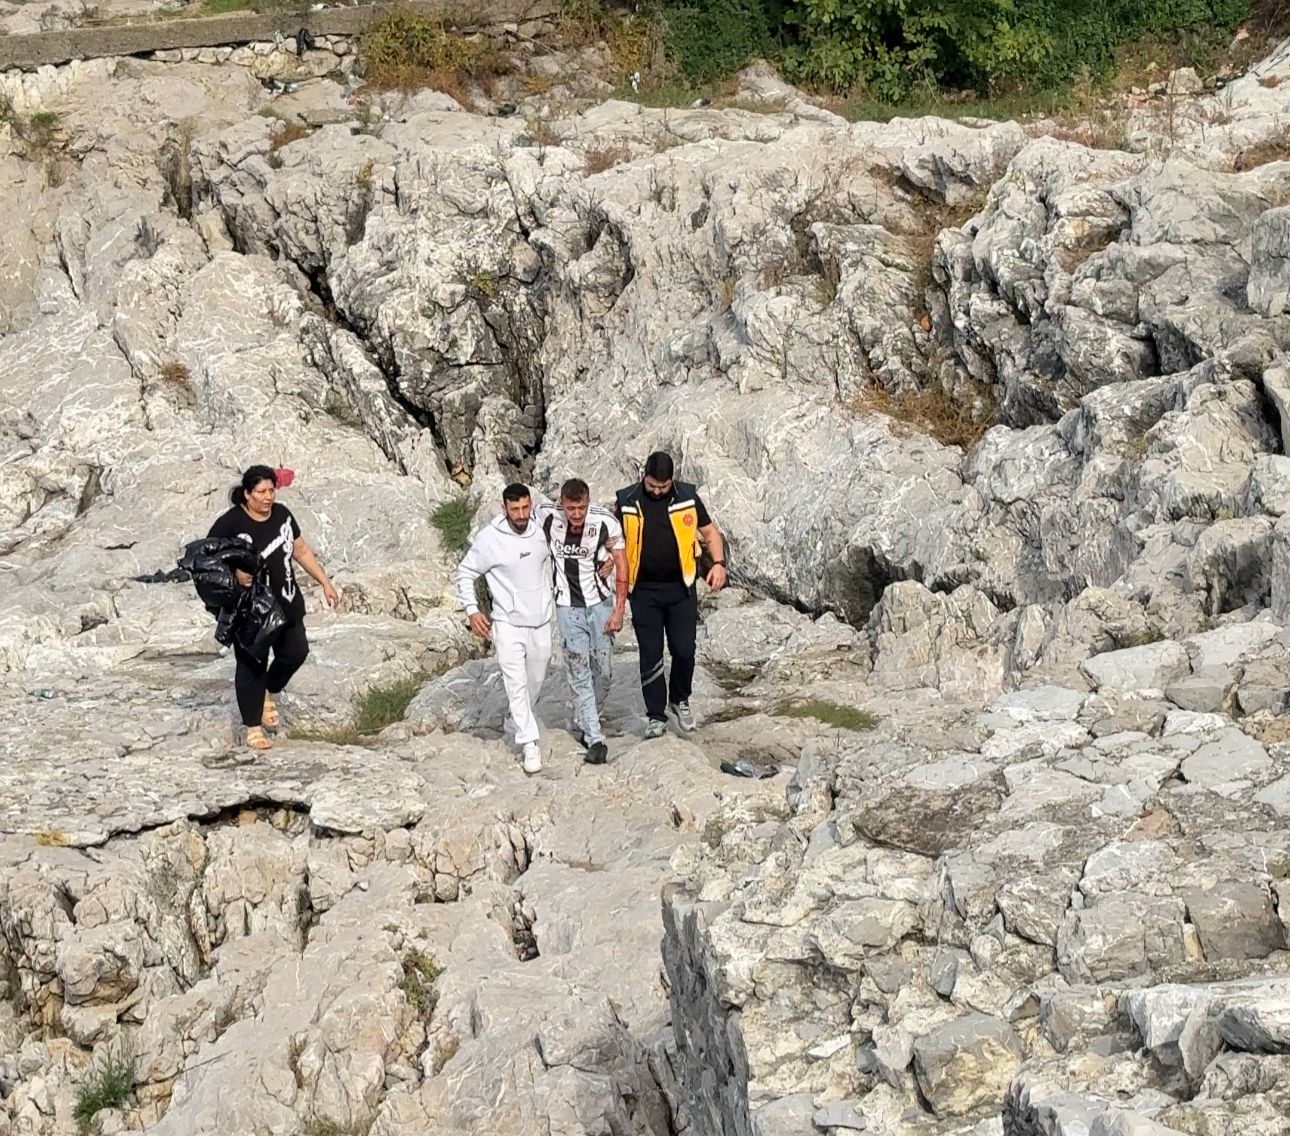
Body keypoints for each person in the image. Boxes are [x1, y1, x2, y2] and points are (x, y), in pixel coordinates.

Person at [207, 465, 339, 751]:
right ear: (247, 494)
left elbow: (301, 550)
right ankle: (253, 728)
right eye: (261, 492)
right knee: (251, 665)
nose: (268, 497)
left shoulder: (283, 515)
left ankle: (269, 689)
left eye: (271, 490)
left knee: (296, 651)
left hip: (287, 602)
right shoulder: (230, 524)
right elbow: (208, 561)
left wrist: (325, 582)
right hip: (250, 610)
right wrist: (235, 575)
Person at [614, 452, 726, 738]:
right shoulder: (627, 501)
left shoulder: (687, 497)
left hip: (681, 588)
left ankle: (679, 698)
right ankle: (655, 715)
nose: (657, 491)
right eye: (652, 485)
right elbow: (613, 541)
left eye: (662, 487)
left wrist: (718, 564)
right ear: (644, 477)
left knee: (685, 649)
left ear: (671, 481)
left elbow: (710, 534)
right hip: (643, 592)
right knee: (651, 654)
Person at [456, 483, 554, 774]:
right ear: (504, 509)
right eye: (515, 510)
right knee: (516, 682)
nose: (521, 515)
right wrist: (472, 610)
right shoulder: (490, 539)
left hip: (540, 620)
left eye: (525, 508)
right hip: (507, 622)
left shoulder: (542, 529)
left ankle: (517, 718)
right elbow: (465, 571)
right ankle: (529, 742)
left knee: (537, 675)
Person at [541, 478, 628, 765]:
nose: (576, 514)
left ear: (588, 503)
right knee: (578, 669)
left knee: (603, 672)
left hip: (599, 604)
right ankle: (594, 737)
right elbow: (518, 516)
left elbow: (621, 560)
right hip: (567, 607)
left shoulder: (604, 521)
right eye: (571, 508)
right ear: (562, 504)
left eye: (581, 508)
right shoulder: (547, 517)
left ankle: (584, 717)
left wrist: (619, 609)